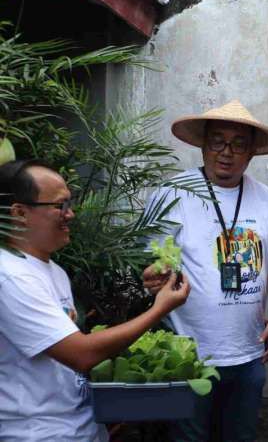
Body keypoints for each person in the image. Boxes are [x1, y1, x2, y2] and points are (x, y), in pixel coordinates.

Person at [0, 160, 190, 442]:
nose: (71, 214)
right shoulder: (10, 277)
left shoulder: (53, 271)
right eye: (59, 206)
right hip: (38, 433)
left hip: (79, 425)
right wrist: (161, 308)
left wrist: (147, 292)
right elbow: (82, 353)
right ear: (20, 213)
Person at [142, 100, 268, 442]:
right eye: (218, 142)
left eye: (239, 144)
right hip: (188, 353)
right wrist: (153, 274)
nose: (227, 152)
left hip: (248, 353)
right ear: (203, 144)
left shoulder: (266, 198)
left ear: (252, 152)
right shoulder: (172, 193)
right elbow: (151, 260)